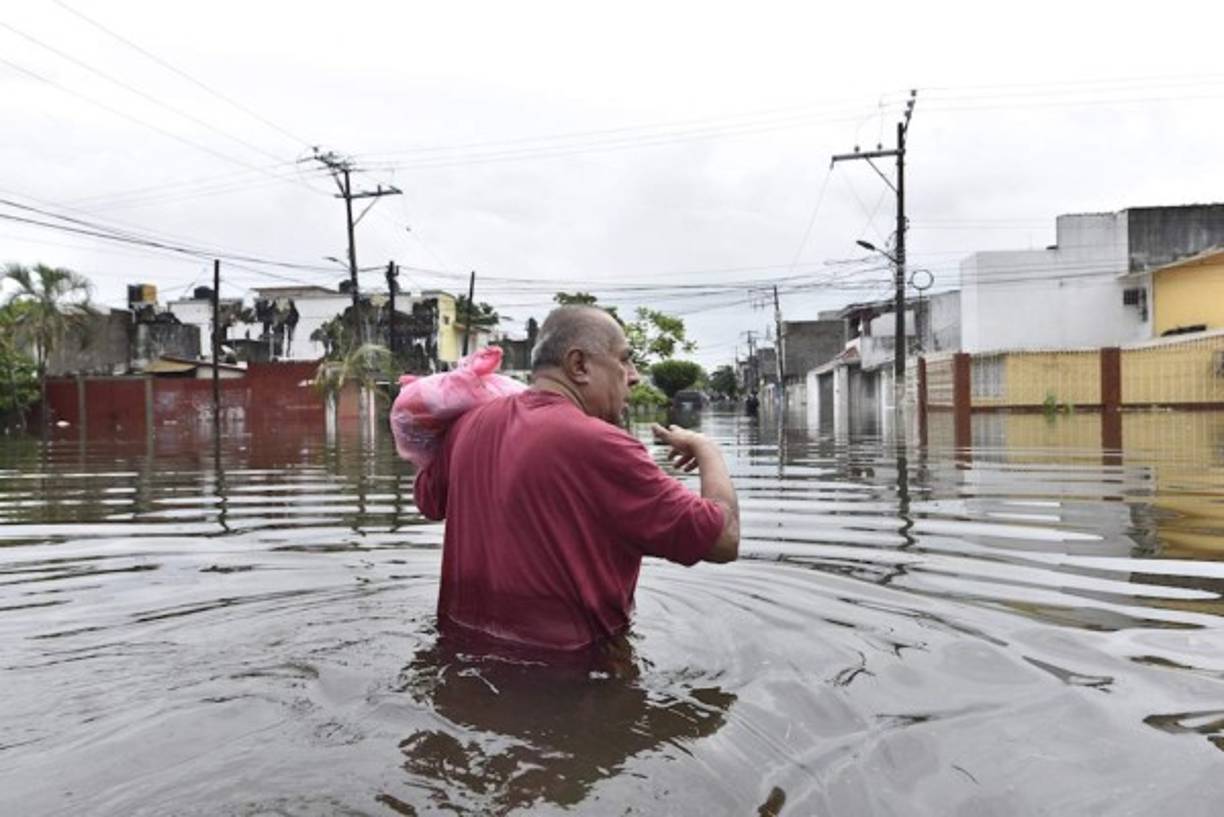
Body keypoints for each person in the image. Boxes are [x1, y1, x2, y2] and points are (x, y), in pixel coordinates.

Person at [414, 305, 739, 651]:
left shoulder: (468, 425)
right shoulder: (602, 444)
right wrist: (708, 451)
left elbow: (428, 501)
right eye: (624, 360)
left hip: (461, 662)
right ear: (579, 365)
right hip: (568, 678)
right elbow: (723, 540)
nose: (634, 376)